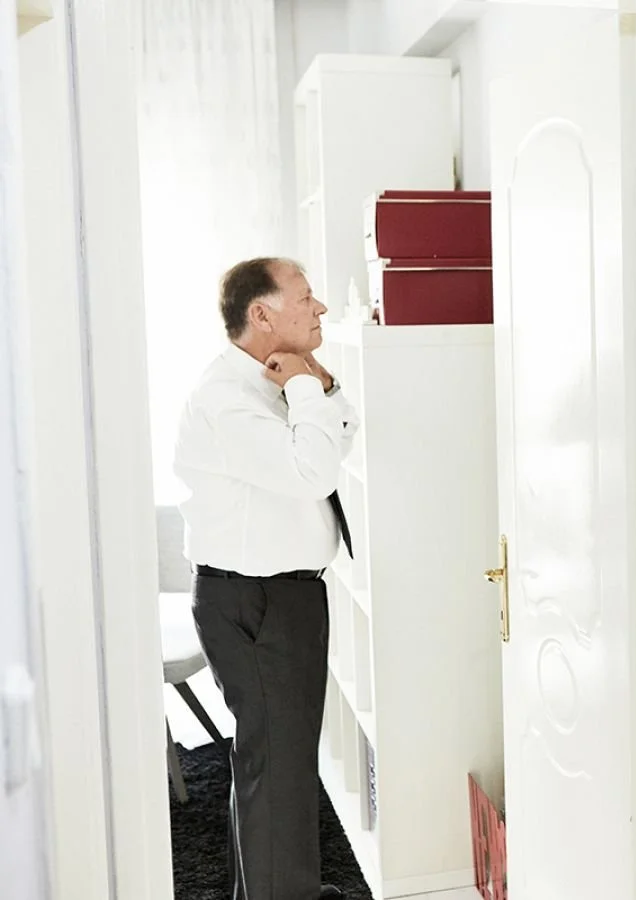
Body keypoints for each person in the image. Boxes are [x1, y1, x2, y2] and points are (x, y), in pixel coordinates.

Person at [173, 257, 359, 900]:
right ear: (262, 313)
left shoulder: (267, 381)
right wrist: (307, 390)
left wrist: (320, 386)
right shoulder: (229, 399)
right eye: (305, 297)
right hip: (257, 600)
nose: (321, 308)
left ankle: (270, 891)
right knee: (276, 767)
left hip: (281, 596)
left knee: (274, 763)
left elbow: (338, 441)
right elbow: (314, 474)